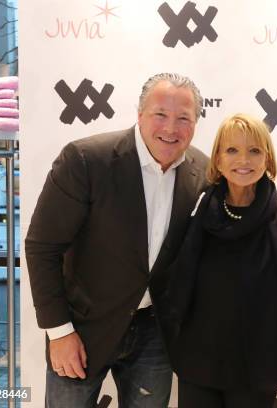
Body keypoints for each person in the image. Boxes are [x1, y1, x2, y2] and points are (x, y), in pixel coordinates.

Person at [25, 73, 209, 407]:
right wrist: (59, 331)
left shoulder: (203, 170)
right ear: (140, 114)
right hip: (82, 328)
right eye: (160, 115)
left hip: (155, 334)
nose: (171, 129)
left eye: (184, 118)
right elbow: (42, 247)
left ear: (195, 123)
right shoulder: (85, 160)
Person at [156, 113, 277, 408]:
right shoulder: (196, 208)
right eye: (232, 150)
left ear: (267, 159)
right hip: (198, 360)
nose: (243, 160)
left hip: (257, 365)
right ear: (219, 160)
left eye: (254, 150)